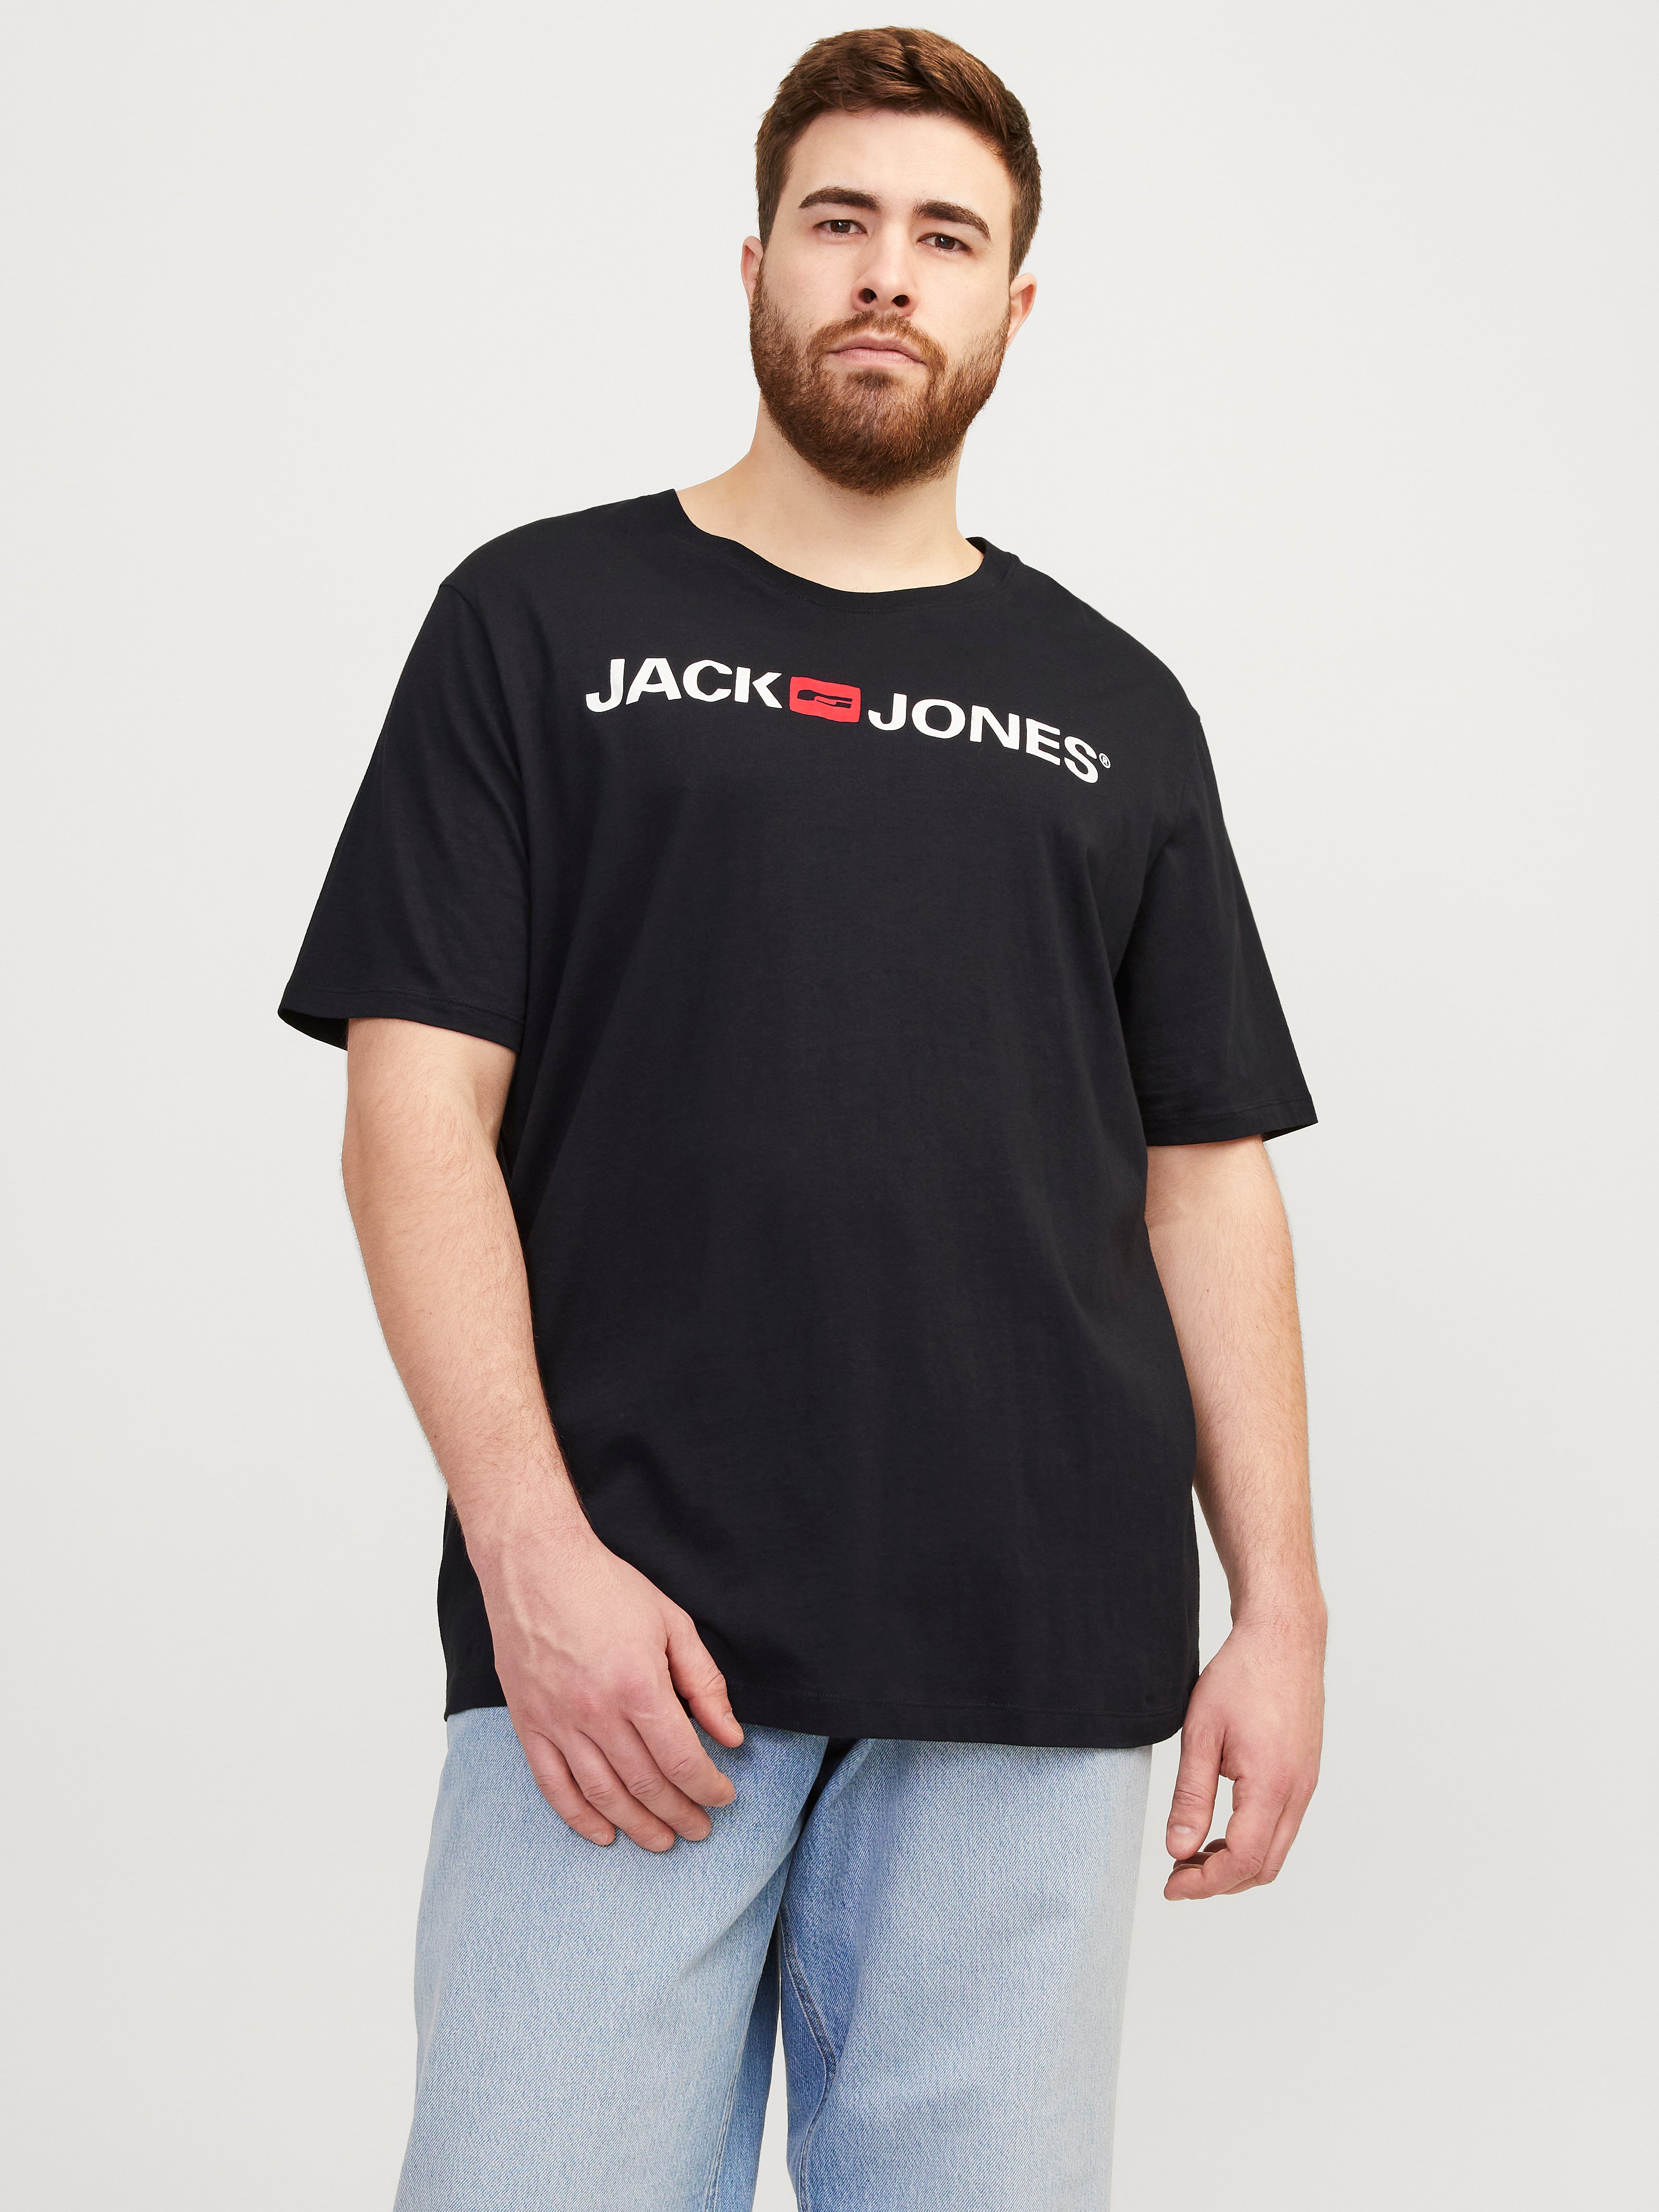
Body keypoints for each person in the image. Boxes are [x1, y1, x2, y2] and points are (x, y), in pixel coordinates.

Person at [281, 26, 1326, 2210]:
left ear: (1012, 304)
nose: (886, 272)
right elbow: (412, 1111)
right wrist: (531, 1553)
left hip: (1035, 1659)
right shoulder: (540, 624)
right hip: (627, 1654)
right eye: (841, 221)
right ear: (756, 266)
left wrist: (1280, 1605)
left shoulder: (1117, 709)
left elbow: (1204, 1175)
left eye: (944, 236)